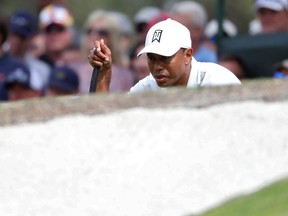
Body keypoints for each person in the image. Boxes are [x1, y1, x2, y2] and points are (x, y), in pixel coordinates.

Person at [88, 18, 241, 93]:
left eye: (165, 58)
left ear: (187, 55)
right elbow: (111, 123)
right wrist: (104, 73)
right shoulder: (147, 87)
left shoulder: (218, 81)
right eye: (152, 58)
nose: (157, 67)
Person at [79, 9, 134, 93]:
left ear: (113, 38)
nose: (93, 35)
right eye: (90, 31)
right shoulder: (75, 69)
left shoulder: (125, 74)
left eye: (102, 32)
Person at [7, 10, 51, 92]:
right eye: (13, 34)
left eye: (22, 37)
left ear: (32, 37)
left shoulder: (42, 70)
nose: (16, 41)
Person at [38, 3, 75, 68]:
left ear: (70, 33)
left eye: (59, 29)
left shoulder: (81, 66)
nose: (53, 35)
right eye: (49, 30)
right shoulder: (33, 67)